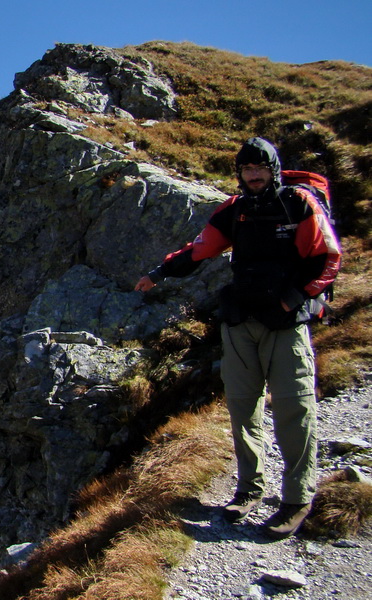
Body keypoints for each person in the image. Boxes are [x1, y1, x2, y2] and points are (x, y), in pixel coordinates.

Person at [135, 137, 341, 539]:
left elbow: (328, 258)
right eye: (246, 169)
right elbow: (200, 249)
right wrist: (159, 273)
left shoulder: (299, 203)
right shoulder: (236, 209)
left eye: (260, 168)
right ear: (240, 173)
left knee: (293, 409)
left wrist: (295, 299)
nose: (253, 174)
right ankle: (248, 489)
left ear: (273, 169)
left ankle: (297, 500)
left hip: (285, 325)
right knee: (243, 409)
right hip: (240, 321)